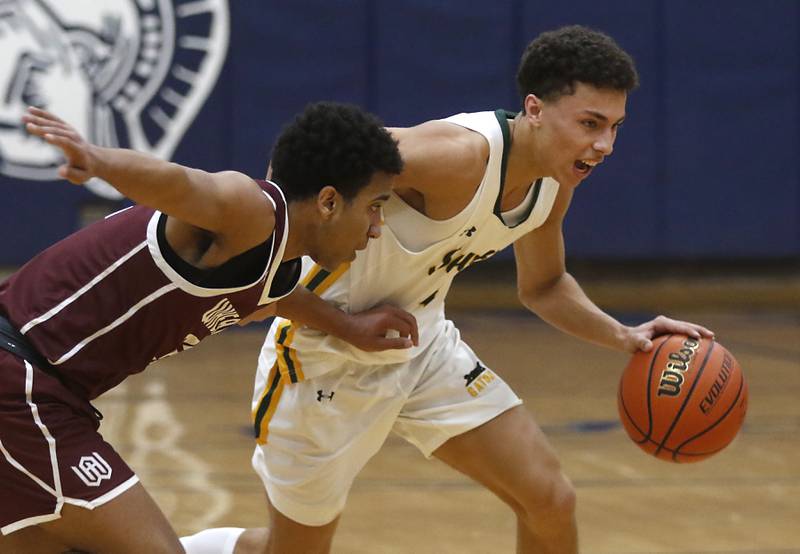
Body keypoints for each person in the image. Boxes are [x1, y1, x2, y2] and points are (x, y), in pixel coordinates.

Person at [198, 25, 714, 554]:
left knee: (550, 499)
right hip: (321, 357)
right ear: (534, 109)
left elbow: (545, 285)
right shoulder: (455, 157)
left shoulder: (554, 184)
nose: (603, 145)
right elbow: (295, 169)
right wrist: (343, 323)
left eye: (614, 127)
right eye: (589, 123)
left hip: (423, 349)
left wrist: (626, 336)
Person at [0, 102, 417, 553]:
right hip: (19, 383)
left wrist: (349, 327)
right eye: (374, 207)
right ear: (329, 202)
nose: (376, 228)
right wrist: (99, 161)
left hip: (44, 392)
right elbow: (180, 183)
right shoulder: (249, 211)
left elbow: (273, 296)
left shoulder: (274, 262)